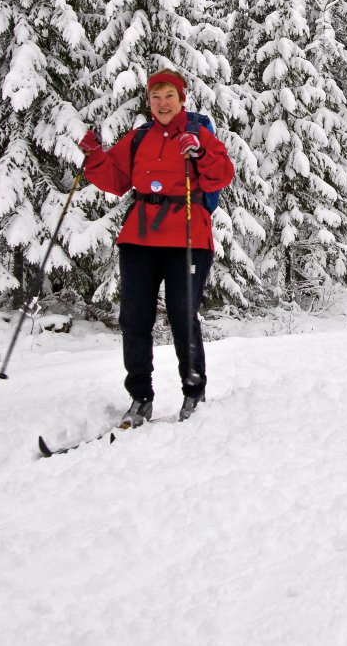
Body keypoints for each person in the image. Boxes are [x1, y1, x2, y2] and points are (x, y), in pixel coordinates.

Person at [81, 69, 234, 427]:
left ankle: (193, 392)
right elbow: (115, 180)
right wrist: (94, 155)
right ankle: (140, 398)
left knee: (183, 316)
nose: (163, 104)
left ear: (182, 99)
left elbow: (222, 174)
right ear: (148, 102)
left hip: (188, 237)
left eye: (169, 96)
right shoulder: (139, 138)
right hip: (139, 238)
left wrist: (199, 153)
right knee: (134, 319)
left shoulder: (199, 134)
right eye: (156, 97)